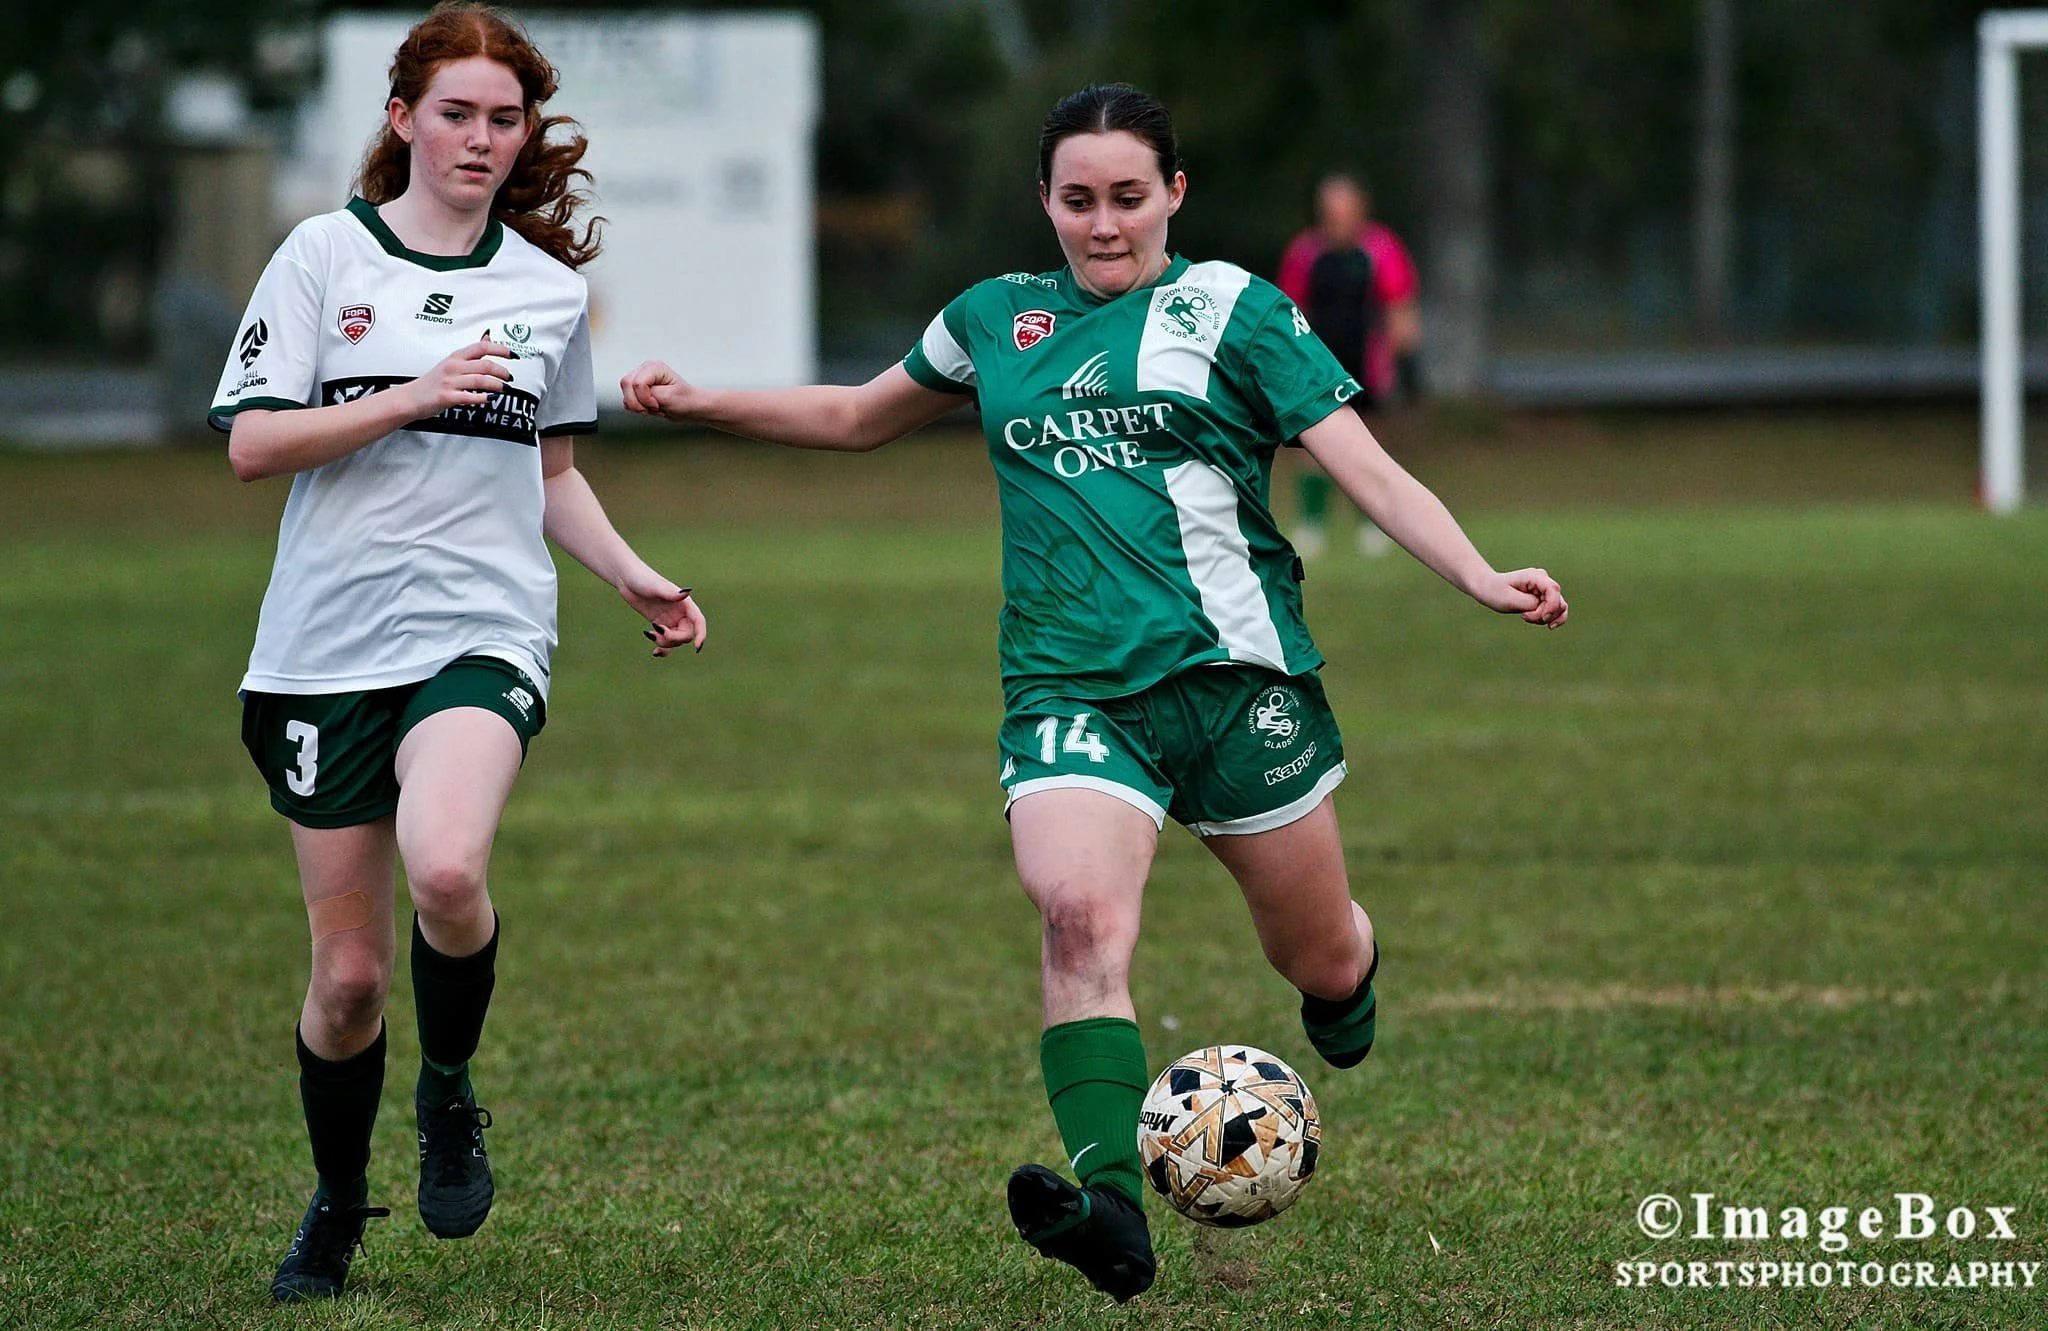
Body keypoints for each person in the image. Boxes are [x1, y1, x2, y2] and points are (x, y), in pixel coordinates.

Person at [621, 83, 1564, 1304]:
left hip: (1234, 686)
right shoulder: (993, 318)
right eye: (1078, 200)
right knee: (1076, 917)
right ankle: (1110, 1199)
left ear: (1173, 193)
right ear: (1044, 203)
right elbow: (859, 413)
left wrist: (1477, 574)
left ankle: (1344, 982)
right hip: (1069, 689)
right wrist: (700, 402)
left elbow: (1365, 469)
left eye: (1128, 197)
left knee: (1317, 951)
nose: (1103, 224)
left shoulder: (1234, 309)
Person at [209, 2, 706, 1303]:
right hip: (322, 645)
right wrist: (416, 392)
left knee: (447, 862)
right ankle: (335, 1197)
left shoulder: (545, 290)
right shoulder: (324, 258)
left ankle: (448, 1090)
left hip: (482, 624)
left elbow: (550, 474)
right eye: (457, 113)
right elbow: (254, 443)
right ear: (402, 120)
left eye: (504, 117)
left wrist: (632, 570)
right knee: (351, 976)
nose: (483, 138)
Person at [1277, 171, 1422, 557]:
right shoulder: (1306, 252)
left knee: (1370, 444)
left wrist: (1403, 363)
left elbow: (1399, 308)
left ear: (1360, 210)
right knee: (1310, 445)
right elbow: (1289, 310)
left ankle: (1375, 526)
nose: (1337, 218)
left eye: (1344, 209)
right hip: (1318, 364)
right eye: (1330, 210)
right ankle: (1311, 524)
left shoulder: (1381, 249)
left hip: (1367, 362)